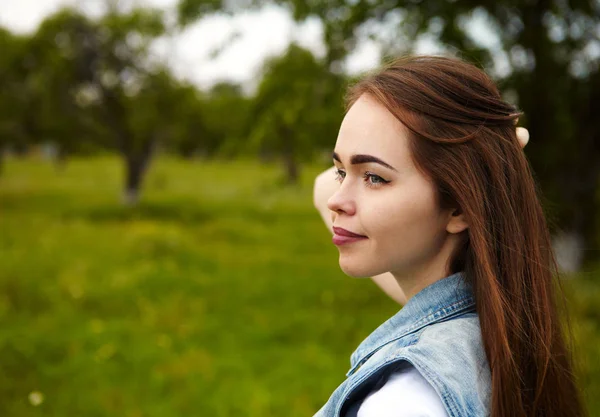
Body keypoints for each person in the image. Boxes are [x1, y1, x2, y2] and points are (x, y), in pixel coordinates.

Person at [310, 56, 585, 417]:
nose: (336, 200)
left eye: (374, 177)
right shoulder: (497, 320)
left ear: (459, 208)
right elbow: (320, 189)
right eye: (340, 171)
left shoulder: (403, 402)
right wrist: (492, 160)